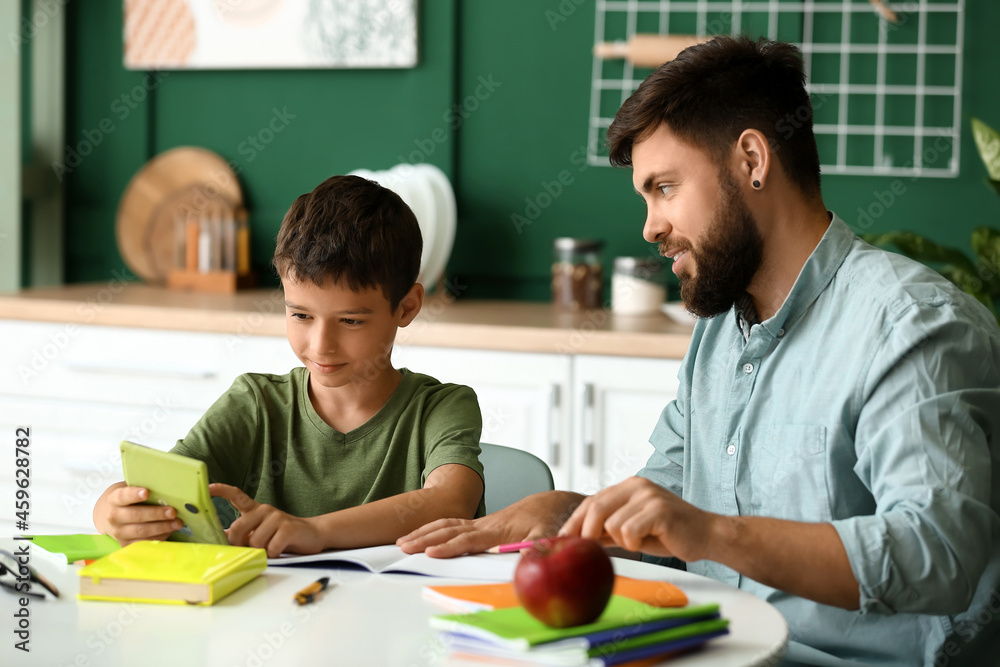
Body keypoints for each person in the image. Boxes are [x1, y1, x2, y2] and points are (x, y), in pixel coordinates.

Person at [398, 36, 1000, 666]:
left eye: (664, 187)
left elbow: (938, 555)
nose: (650, 226)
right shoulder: (722, 328)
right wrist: (569, 513)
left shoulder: (911, 325)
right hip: (710, 650)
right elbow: (672, 499)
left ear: (751, 160)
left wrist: (712, 532)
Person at [94, 175, 486, 557]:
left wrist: (316, 531)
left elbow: (450, 501)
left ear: (407, 307)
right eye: (300, 315)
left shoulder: (442, 408)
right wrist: (111, 509)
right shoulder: (255, 403)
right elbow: (164, 487)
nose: (321, 346)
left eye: (350, 321)